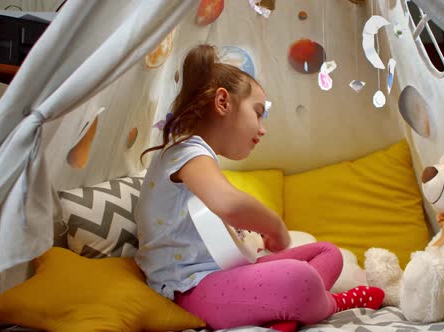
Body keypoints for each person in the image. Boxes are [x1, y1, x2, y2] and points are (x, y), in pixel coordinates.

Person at [135, 44, 384, 331]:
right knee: (299, 277)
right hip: (189, 291)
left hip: (221, 277)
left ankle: (288, 313)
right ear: (222, 102)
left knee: (328, 252)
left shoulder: (196, 155)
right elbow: (230, 205)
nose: (262, 128)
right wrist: (276, 226)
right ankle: (331, 304)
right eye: (258, 112)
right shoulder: (184, 150)